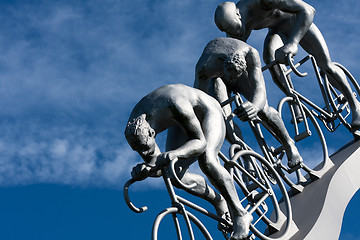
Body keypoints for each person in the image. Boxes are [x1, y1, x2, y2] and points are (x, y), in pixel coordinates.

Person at [125, 84, 253, 240]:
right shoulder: (136, 133)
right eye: (139, 151)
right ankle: (218, 201)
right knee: (174, 175)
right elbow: (158, 167)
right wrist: (145, 171)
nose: (144, 153)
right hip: (179, 121)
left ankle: (241, 214)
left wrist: (175, 153)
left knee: (208, 161)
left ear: (152, 133)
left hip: (206, 111)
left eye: (146, 148)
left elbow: (200, 143)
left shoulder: (174, 103)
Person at [214, 0, 360, 130]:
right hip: (277, 31)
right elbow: (240, 57)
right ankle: (294, 101)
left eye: (238, 27)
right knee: (270, 60)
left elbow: (308, 10)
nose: (239, 32)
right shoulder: (236, 27)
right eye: (234, 31)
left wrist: (293, 43)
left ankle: (355, 106)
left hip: (298, 22)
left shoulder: (264, 2)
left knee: (326, 66)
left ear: (238, 15)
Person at [194, 37, 302, 169]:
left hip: (242, 73)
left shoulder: (251, 53)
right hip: (217, 79)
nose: (233, 78)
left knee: (264, 110)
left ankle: (288, 143)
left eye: (236, 75)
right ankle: (247, 158)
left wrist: (255, 107)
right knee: (225, 123)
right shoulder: (205, 67)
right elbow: (199, 100)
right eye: (232, 75)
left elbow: (260, 89)